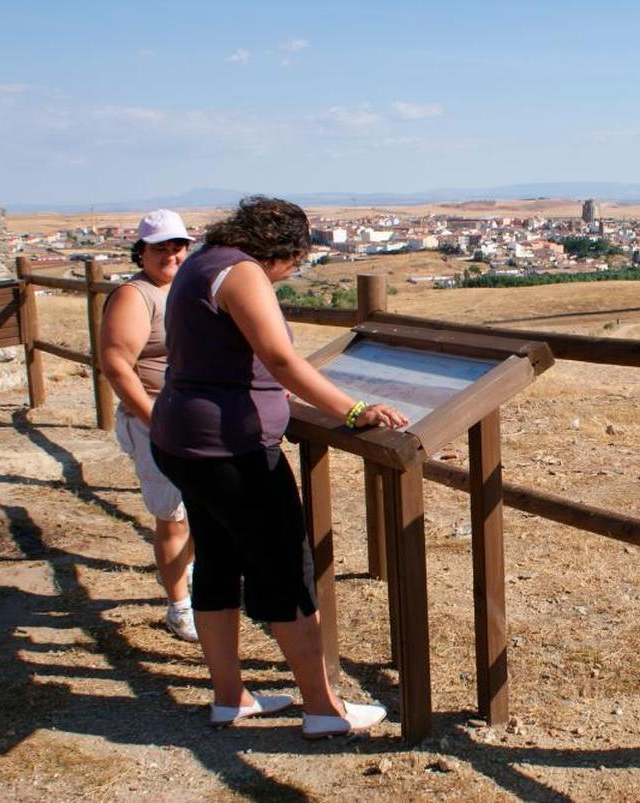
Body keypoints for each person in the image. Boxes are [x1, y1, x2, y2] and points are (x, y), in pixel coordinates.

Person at [149, 196, 408, 738]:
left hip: (185, 438)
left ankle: (230, 698)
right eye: (296, 262)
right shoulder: (241, 273)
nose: (293, 273)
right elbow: (281, 358)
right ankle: (323, 708)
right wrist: (354, 410)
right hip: (230, 449)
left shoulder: (203, 260)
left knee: (218, 565)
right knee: (286, 572)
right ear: (281, 249)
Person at [99, 209, 197, 642]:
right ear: (141, 251)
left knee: (200, 509)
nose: (171, 254)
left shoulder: (184, 290)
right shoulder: (133, 297)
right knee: (173, 516)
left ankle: (184, 580)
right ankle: (179, 609)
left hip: (191, 417)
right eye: (160, 247)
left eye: (178, 246)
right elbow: (117, 366)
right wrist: (154, 421)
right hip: (156, 417)